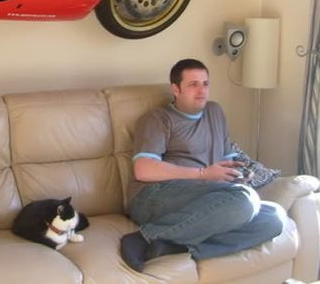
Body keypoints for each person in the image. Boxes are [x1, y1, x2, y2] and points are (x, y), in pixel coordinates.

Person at [120, 58, 284, 272]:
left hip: (206, 194)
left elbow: (228, 157)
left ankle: (175, 246)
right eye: (193, 85)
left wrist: (239, 173)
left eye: (205, 84)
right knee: (244, 199)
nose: (202, 91)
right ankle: (143, 238)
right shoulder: (159, 119)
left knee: (274, 218)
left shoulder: (215, 112)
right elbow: (143, 169)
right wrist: (202, 174)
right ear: (176, 89)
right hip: (152, 196)